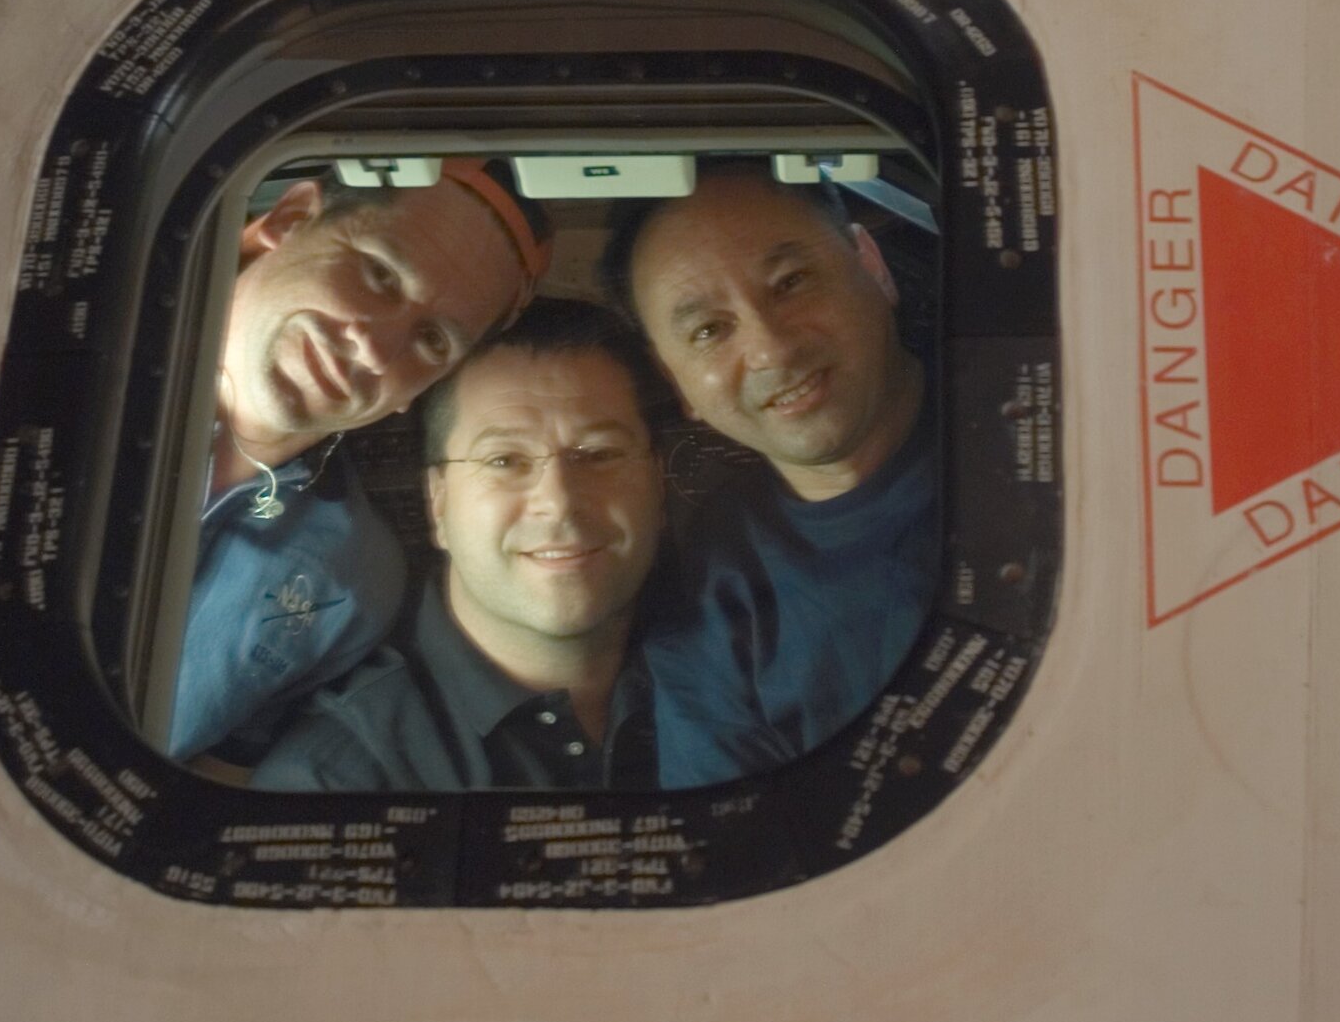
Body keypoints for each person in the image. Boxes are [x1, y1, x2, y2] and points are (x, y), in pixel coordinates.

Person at [163, 159, 551, 764]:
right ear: (286, 223)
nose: (373, 347)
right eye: (378, 274)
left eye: (431, 341)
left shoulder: (355, 581)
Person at [604, 162, 935, 787]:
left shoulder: (1047, 426)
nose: (772, 349)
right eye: (709, 330)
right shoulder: (712, 596)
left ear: (872, 265)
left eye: (791, 283)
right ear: (677, 383)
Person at [252, 299, 667, 793]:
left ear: (659, 482)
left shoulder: (744, 664)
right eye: (504, 460)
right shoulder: (339, 781)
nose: (559, 503)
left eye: (599, 454)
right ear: (438, 502)